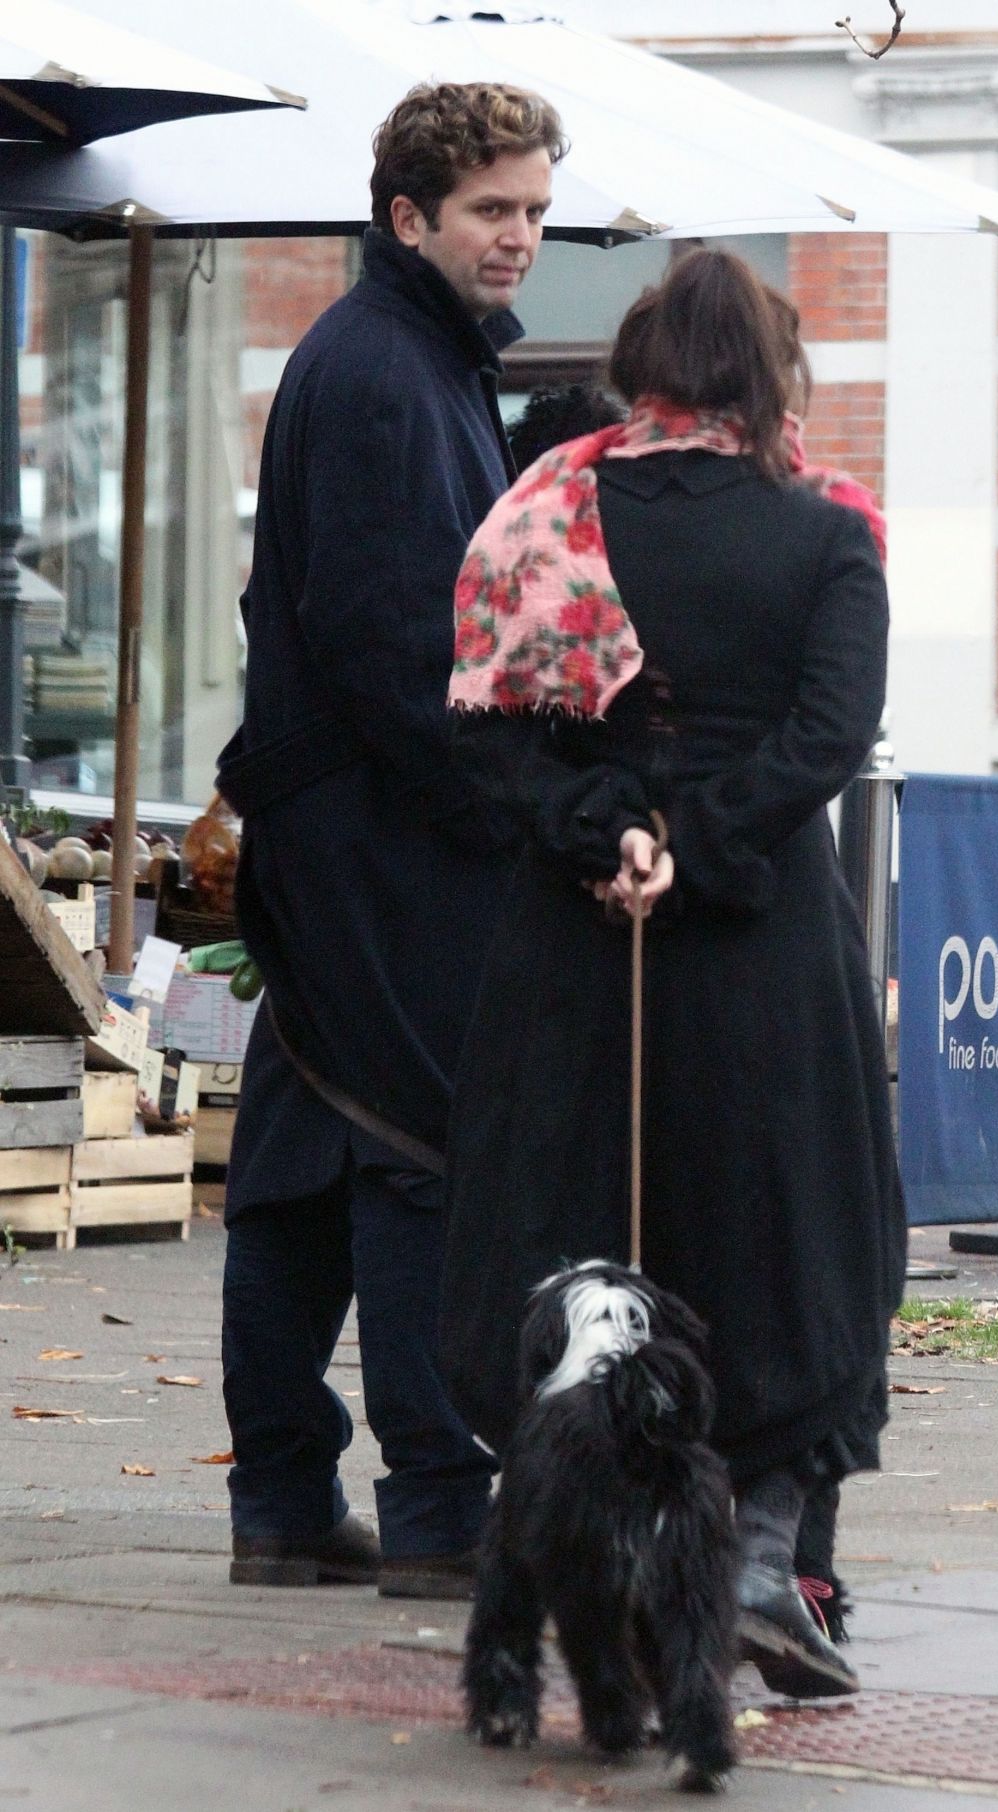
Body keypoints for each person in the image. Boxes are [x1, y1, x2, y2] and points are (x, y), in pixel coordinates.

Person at [439, 249, 906, 1694]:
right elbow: (828, 738)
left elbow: (486, 731)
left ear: (639, 365)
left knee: (570, 1234)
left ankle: (576, 1545)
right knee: (784, 1245)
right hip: (764, 953)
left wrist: (613, 835)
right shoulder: (827, 531)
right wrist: (693, 848)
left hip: (576, 949)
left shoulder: (539, 518)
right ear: (771, 381)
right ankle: (761, 1556)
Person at [213, 82, 565, 1598]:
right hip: (383, 835)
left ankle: (286, 1499)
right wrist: (502, 806)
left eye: (537, 211)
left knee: (300, 1155)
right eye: (495, 211)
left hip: (338, 824)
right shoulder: (380, 372)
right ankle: (437, 1507)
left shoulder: (399, 358)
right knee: (423, 1145)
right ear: (408, 216)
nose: (523, 240)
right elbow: (389, 641)